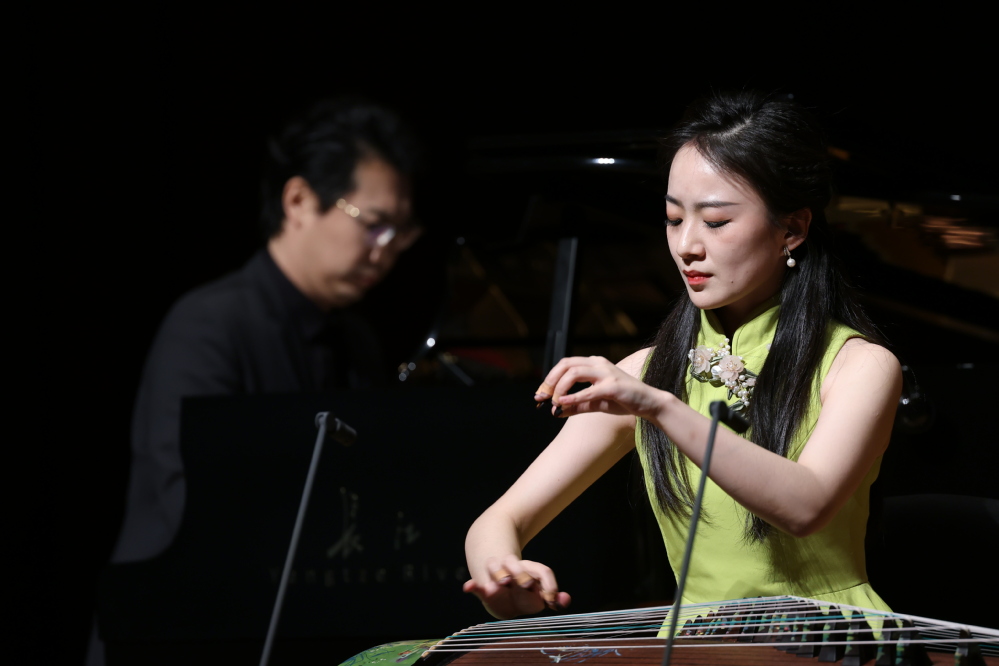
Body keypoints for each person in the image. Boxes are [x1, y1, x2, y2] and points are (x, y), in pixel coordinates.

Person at [463, 91, 902, 621]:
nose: (686, 245)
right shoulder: (646, 375)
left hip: (829, 639)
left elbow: (805, 506)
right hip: (695, 644)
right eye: (674, 219)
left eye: (715, 222)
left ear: (792, 229)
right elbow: (498, 522)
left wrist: (660, 407)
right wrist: (501, 573)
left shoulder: (859, 366)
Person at [111, 98, 421, 564]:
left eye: (400, 234)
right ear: (299, 202)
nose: (386, 252)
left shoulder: (357, 340)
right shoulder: (207, 327)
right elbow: (195, 506)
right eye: (375, 226)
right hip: (188, 598)